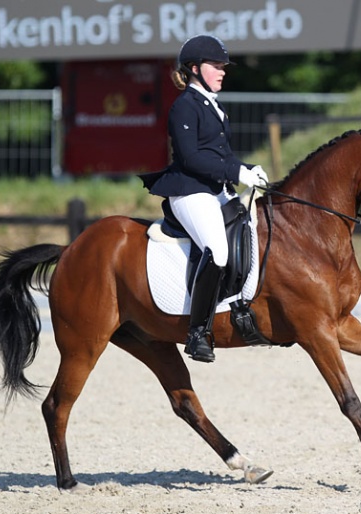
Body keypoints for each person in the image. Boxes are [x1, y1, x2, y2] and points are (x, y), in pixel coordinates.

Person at [142, 34, 268, 363]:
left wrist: (246, 172)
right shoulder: (184, 105)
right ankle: (198, 331)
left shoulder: (214, 106)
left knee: (254, 229)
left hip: (216, 190)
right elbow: (191, 158)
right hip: (189, 190)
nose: (223, 71)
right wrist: (238, 171)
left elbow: (220, 154)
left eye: (223, 66)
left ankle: (240, 307)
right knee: (218, 249)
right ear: (195, 69)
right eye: (216, 65)